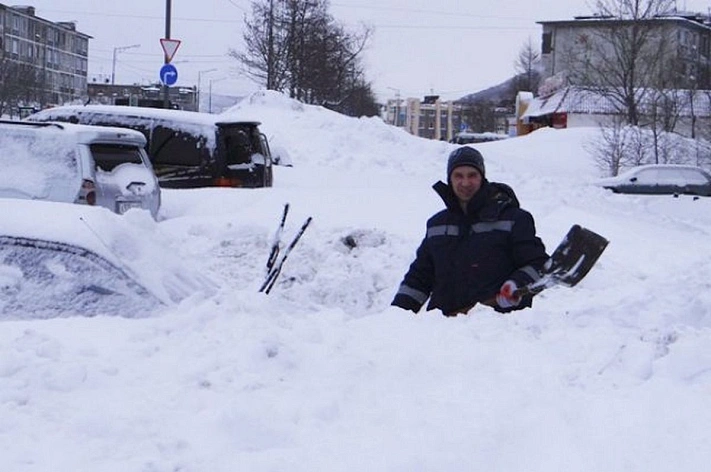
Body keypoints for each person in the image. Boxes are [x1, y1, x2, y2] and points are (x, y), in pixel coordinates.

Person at [391, 146, 549, 316]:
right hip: (442, 330)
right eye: (458, 176)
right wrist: (396, 315)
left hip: (498, 329)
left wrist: (518, 283)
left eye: (472, 175)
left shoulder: (513, 219)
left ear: (482, 177)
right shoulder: (437, 225)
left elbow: (539, 264)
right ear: (449, 179)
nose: (465, 183)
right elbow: (419, 278)